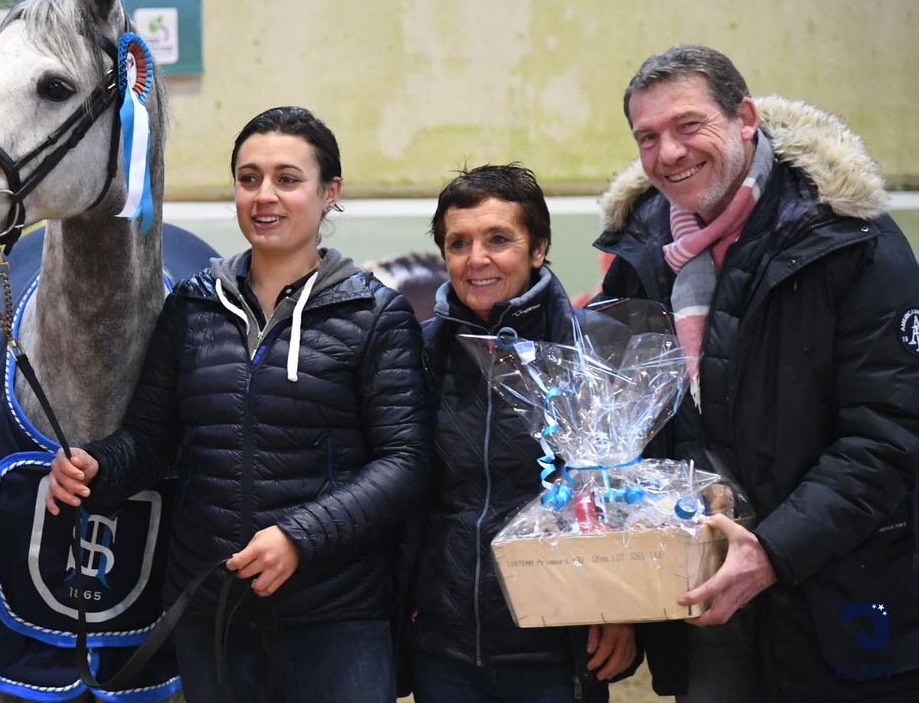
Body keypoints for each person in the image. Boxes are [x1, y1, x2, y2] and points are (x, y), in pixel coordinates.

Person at [48, 106, 431, 703]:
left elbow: (405, 463)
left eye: (287, 178)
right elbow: (152, 438)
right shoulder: (191, 309)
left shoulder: (376, 317)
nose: (264, 196)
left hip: (336, 617)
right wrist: (99, 467)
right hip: (212, 614)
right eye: (249, 178)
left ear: (330, 193)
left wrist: (301, 538)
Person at [594, 44, 919, 702]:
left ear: (744, 117)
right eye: (648, 138)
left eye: (689, 125)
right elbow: (631, 432)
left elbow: (889, 435)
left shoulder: (850, 239)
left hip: (841, 592)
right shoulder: (640, 255)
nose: (670, 153)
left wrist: (772, 550)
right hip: (705, 603)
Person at [406, 164, 638, 703]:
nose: (476, 258)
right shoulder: (420, 351)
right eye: (458, 243)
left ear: (539, 248)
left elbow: (635, 496)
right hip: (444, 649)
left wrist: (624, 610)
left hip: (558, 649)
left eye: (498, 239)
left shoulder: (599, 346)